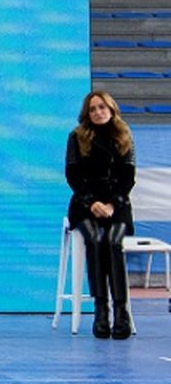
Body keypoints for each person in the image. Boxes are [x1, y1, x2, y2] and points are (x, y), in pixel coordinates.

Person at [65, 90, 136, 340]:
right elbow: (72, 175)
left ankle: (121, 312)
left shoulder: (125, 135)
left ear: (112, 109)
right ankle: (101, 311)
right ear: (87, 113)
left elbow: (128, 177)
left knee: (113, 242)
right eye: (93, 109)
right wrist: (92, 202)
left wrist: (112, 204)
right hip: (85, 203)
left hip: (117, 203)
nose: (98, 112)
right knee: (95, 240)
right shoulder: (76, 136)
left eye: (102, 107)